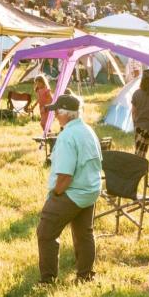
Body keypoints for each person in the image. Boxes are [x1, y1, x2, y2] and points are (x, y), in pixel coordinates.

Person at [36, 92, 102, 284]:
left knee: (45, 233)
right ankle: (85, 276)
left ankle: (47, 281)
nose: (55, 115)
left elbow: (65, 176)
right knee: (84, 234)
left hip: (72, 193)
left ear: (66, 113)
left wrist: (55, 194)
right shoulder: (88, 130)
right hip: (90, 191)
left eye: (56, 111)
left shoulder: (67, 136)